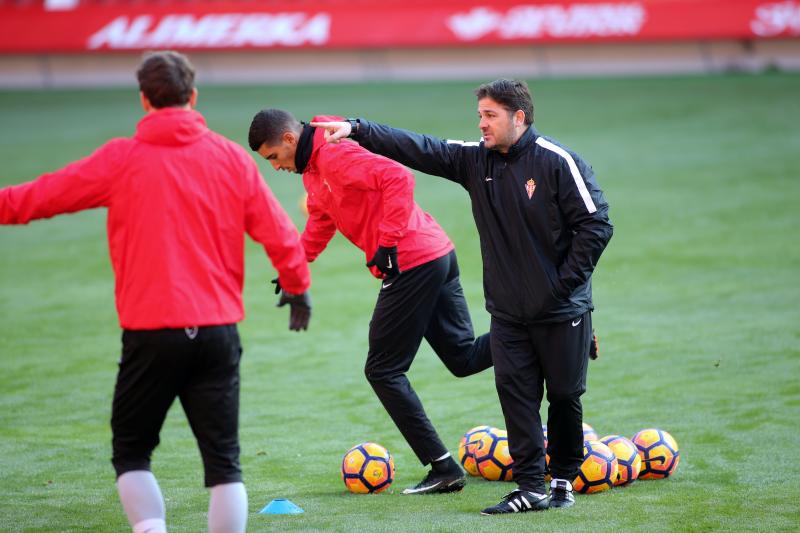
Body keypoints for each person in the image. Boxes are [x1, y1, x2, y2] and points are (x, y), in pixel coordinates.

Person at [0, 51, 312, 533]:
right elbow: (279, 234)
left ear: (144, 100)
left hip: (150, 333)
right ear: (193, 96)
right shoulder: (230, 158)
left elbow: (39, 197)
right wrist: (297, 287)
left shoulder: (120, 158)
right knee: (223, 463)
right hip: (215, 331)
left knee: (131, 450)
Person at [311, 78, 613, 515]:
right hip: (508, 311)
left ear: (519, 117)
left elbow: (597, 225)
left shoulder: (558, 162)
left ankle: (563, 476)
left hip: (561, 308)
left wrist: (563, 286)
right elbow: (422, 148)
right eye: (480, 116)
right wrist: (358, 129)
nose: (482, 124)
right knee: (517, 397)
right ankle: (530, 486)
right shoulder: (476, 161)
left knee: (564, 395)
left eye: (490, 116)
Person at [248, 108, 494, 494]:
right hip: (435, 254)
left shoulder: (333, 155)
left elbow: (398, 177)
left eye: (273, 157)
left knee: (382, 370)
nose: (275, 167)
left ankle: (443, 467)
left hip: (412, 261)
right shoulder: (314, 171)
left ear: (290, 140)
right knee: (463, 357)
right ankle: (547, 327)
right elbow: (320, 222)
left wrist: (387, 242)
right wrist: (292, 266)